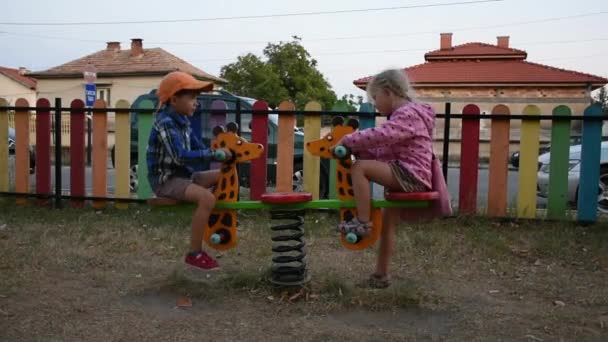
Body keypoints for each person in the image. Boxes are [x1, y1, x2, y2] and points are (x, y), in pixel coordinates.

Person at [333, 69, 436, 288]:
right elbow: (384, 148)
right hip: (406, 171)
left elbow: (381, 135)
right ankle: (381, 276)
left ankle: (362, 222)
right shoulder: (404, 117)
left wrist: (348, 141)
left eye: (376, 98)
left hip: (410, 173)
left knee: (359, 168)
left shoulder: (407, 113)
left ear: (388, 92)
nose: (375, 105)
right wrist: (363, 151)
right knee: (388, 226)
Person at [147, 71, 232, 271]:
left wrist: (222, 152)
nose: (196, 102)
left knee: (226, 177)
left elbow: (199, 148)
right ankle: (194, 253)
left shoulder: (183, 122)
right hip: (166, 180)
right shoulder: (165, 123)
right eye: (192, 97)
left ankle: (214, 220)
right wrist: (216, 154)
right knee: (207, 199)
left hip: (184, 176)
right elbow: (180, 156)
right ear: (174, 99)